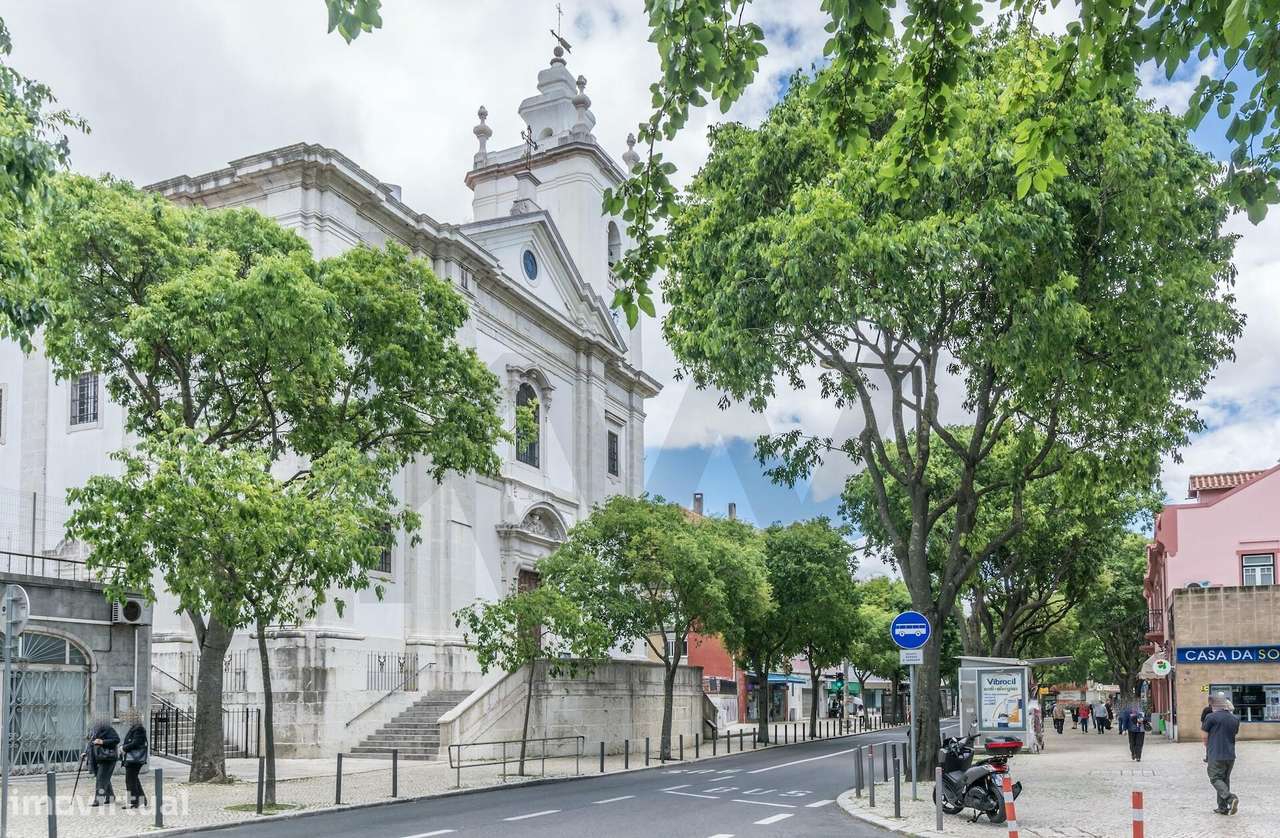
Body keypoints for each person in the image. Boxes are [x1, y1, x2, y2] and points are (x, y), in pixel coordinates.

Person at [1202, 697, 1240, 815]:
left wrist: (1208, 749)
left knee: (1215, 778)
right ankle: (1222, 807)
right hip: (1230, 754)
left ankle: (1230, 798)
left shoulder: (1210, 717)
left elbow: (1204, 736)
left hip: (1216, 753)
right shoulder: (1235, 719)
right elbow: (1234, 733)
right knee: (1224, 780)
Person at [84, 718, 120, 806]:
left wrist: (102, 741)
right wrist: (86, 752)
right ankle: (110, 797)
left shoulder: (107, 728)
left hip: (108, 757)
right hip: (98, 757)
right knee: (103, 778)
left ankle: (98, 800)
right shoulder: (93, 730)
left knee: (101, 778)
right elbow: (90, 743)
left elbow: (116, 739)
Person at [120, 708, 149, 808]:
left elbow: (136, 743)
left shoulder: (139, 729)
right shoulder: (135, 728)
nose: (127, 719)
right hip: (133, 759)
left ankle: (134, 802)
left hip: (134, 759)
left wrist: (124, 748)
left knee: (130, 780)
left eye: (129, 717)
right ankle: (141, 800)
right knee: (134, 779)